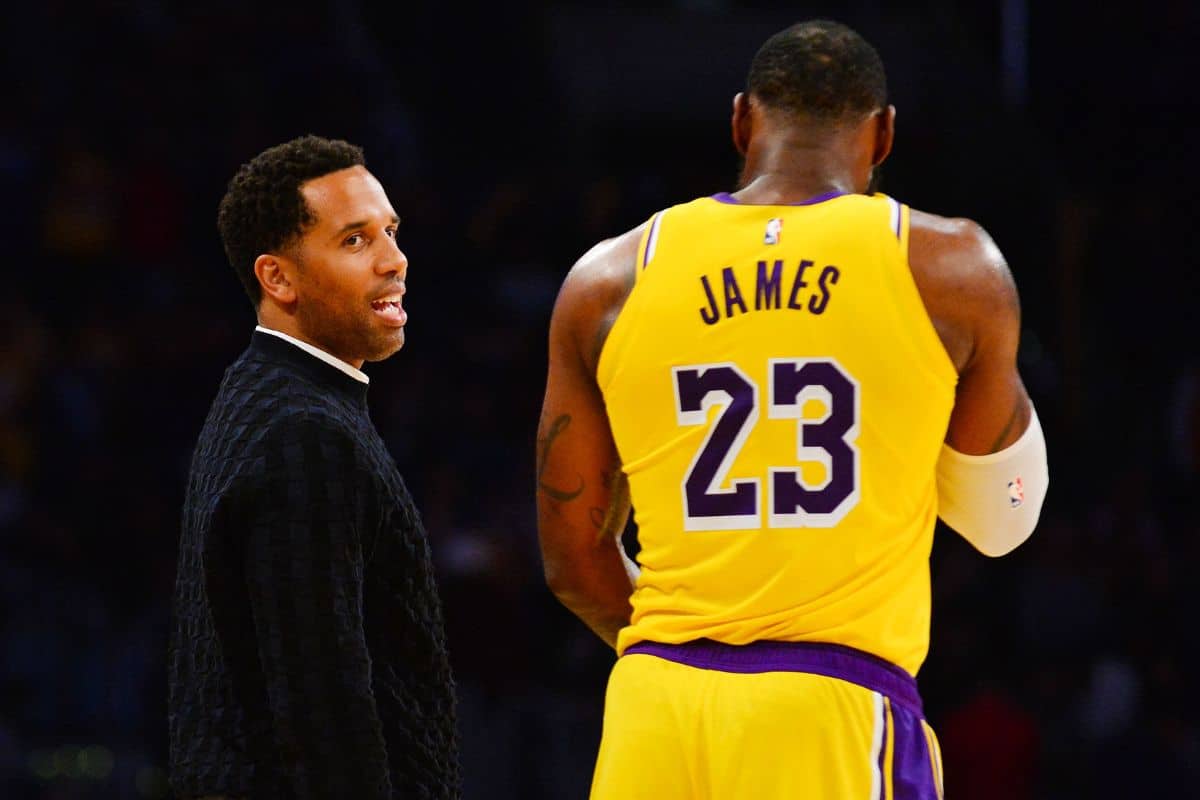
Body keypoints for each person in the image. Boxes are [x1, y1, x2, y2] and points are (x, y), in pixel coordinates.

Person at [535, 19, 1048, 799]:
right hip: (832, 704)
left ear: (740, 120)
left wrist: (707, 648)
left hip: (656, 705)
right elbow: (1000, 522)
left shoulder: (607, 280)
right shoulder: (951, 269)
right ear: (883, 135)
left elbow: (574, 560)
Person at [168, 135, 459, 799]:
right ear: (278, 278)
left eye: (390, 231)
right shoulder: (305, 434)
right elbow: (324, 717)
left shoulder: (267, 397)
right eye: (355, 241)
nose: (395, 260)